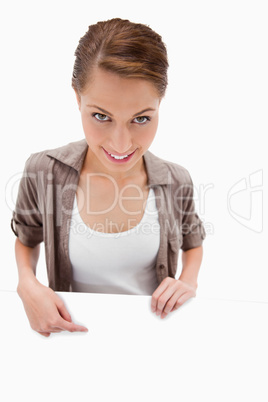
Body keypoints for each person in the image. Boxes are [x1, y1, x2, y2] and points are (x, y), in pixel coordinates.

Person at [11, 18, 206, 337]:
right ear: (77, 98)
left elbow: (193, 242)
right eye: (101, 116)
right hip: (72, 340)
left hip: (158, 338)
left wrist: (189, 283)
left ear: (161, 103)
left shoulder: (176, 180)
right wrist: (26, 282)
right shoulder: (42, 171)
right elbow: (27, 238)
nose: (121, 144)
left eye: (141, 118)